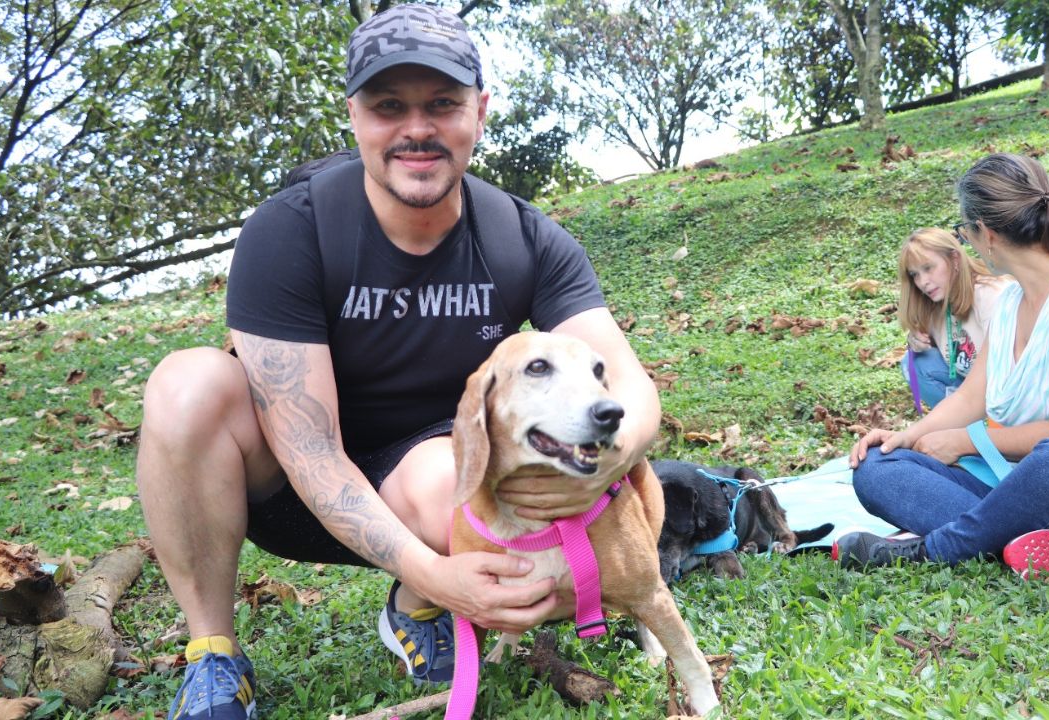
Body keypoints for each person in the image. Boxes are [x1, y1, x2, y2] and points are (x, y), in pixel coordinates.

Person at [134, 6, 660, 719]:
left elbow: (629, 384)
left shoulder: (522, 236)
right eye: (389, 106)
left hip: (436, 477)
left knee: (466, 481)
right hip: (286, 484)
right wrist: (439, 573)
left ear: (480, 111)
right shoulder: (290, 230)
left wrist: (607, 460)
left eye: (442, 104)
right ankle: (212, 656)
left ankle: (414, 608)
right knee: (186, 384)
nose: (417, 129)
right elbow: (311, 452)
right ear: (354, 115)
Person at [835, 153, 1049, 577]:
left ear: (987, 234)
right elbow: (971, 397)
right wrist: (906, 437)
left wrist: (967, 441)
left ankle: (935, 550)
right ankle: (1041, 545)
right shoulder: (1011, 301)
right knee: (875, 466)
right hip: (1023, 490)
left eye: (964, 232)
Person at [897, 227, 1007, 413]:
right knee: (915, 363)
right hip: (973, 390)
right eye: (915, 274)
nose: (922, 282)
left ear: (955, 259)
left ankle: (975, 425)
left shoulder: (991, 295)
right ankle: (960, 424)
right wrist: (917, 342)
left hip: (1008, 392)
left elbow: (1009, 371)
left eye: (928, 268)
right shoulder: (933, 304)